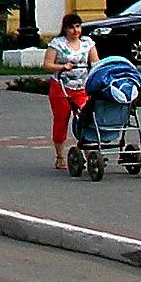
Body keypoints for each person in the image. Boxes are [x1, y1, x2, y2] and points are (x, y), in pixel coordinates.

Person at [43, 11, 98, 170]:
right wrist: (62, 67)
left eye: (78, 26)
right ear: (65, 29)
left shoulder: (87, 43)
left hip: (82, 87)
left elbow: (95, 61)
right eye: (72, 27)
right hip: (62, 87)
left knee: (86, 118)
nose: (75, 31)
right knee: (61, 121)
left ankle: (89, 153)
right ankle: (60, 156)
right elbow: (47, 64)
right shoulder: (58, 44)